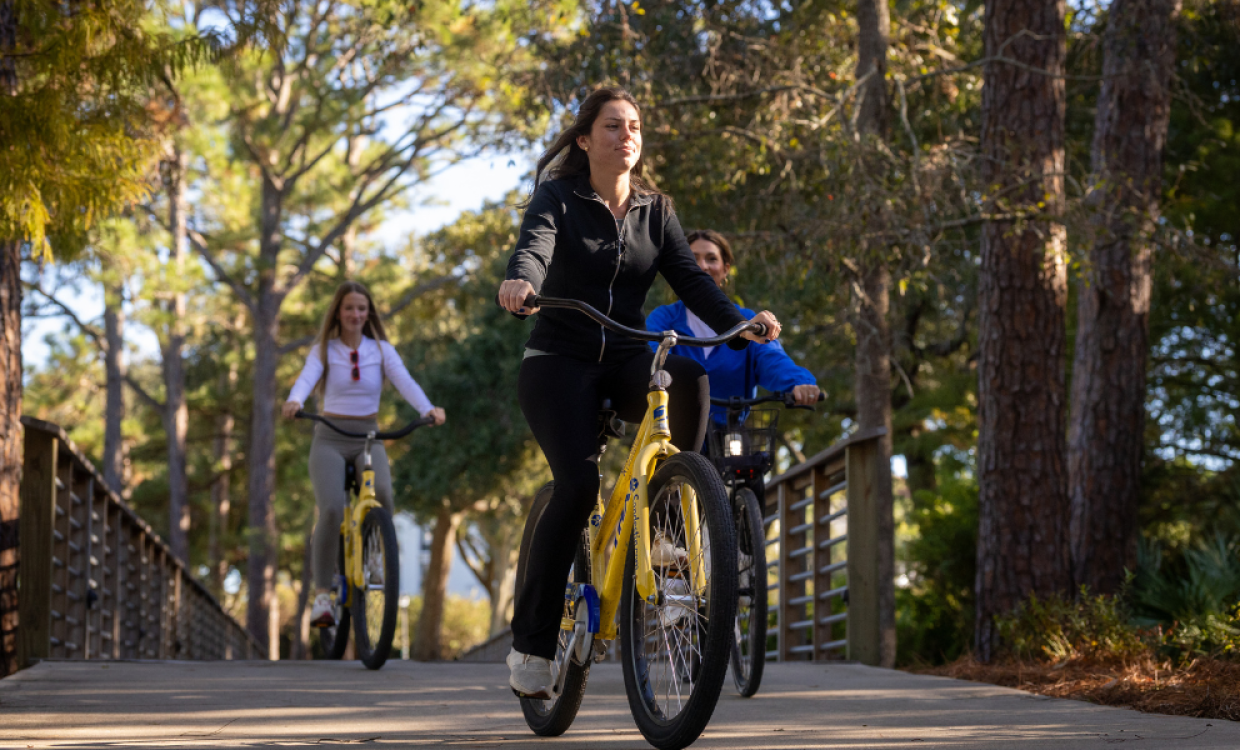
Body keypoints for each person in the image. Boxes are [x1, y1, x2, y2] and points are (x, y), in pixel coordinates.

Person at [496, 86, 785, 699]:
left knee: (689, 376)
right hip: (560, 359)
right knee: (575, 488)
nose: (626, 135)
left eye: (634, 126)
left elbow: (692, 282)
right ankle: (532, 643)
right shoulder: (558, 198)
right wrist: (520, 283)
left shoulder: (657, 211)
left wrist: (740, 323)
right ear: (584, 139)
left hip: (626, 353)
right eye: (611, 126)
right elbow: (535, 250)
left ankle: (675, 544)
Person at [282, 281, 446, 628]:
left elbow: (405, 381)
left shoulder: (382, 350)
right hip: (329, 436)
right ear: (338, 314)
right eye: (349, 308)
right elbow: (306, 379)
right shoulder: (324, 350)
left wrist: (427, 409)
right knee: (330, 510)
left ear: (368, 313)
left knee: (383, 495)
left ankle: (372, 558)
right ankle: (323, 596)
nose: (356, 314)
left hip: (369, 437)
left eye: (361, 308)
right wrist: (295, 400)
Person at [645, 229, 821, 427]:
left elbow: (771, 357)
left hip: (729, 433)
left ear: (725, 269)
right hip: (674, 431)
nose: (703, 266)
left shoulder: (746, 321)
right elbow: (649, 361)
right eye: (693, 259)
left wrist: (798, 383)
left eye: (711, 259)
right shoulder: (664, 319)